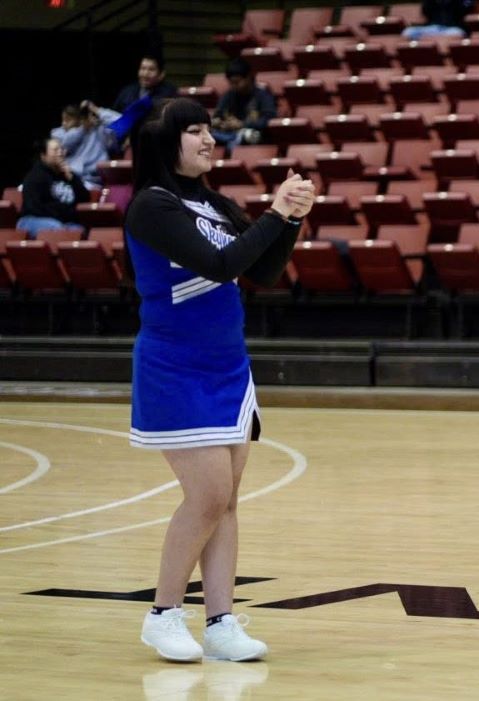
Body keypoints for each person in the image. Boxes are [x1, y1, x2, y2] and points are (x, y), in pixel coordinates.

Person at [125, 98, 314, 662]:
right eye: (196, 131)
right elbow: (221, 266)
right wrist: (275, 214)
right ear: (166, 141)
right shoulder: (151, 208)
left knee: (226, 501)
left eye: (209, 130)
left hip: (228, 365)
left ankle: (221, 622)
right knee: (205, 496)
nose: (209, 139)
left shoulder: (214, 204)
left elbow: (262, 271)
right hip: (175, 365)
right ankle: (163, 613)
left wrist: (293, 218)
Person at [17, 138, 91, 237]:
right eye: (55, 150)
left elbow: (85, 199)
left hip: (63, 221)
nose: (60, 153)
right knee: (57, 229)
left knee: (79, 231)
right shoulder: (35, 177)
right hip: (33, 219)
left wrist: (73, 179)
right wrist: (65, 212)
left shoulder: (68, 174)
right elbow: (35, 207)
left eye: (61, 149)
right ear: (43, 155)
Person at [211, 58, 277, 152]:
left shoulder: (263, 95)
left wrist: (241, 124)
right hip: (229, 134)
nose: (234, 86)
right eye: (231, 83)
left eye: (237, 82)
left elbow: (268, 120)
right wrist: (219, 123)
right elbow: (218, 115)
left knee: (248, 135)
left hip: (253, 135)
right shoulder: (228, 95)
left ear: (249, 78)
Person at [53, 105, 118, 189]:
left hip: (94, 181)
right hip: (70, 178)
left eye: (68, 120)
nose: (63, 123)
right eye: (63, 119)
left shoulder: (99, 130)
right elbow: (65, 143)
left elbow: (122, 122)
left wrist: (97, 110)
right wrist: (82, 129)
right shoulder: (60, 133)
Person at [111, 55, 178, 114]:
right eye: (143, 68)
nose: (145, 74)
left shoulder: (169, 93)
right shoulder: (127, 91)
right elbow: (115, 114)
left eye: (151, 69)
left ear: (161, 75)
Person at [403, 0, 473, 40]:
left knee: (456, 34)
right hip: (433, 28)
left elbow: (467, 9)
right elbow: (425, 12)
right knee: (408, 32)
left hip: (454, 28)